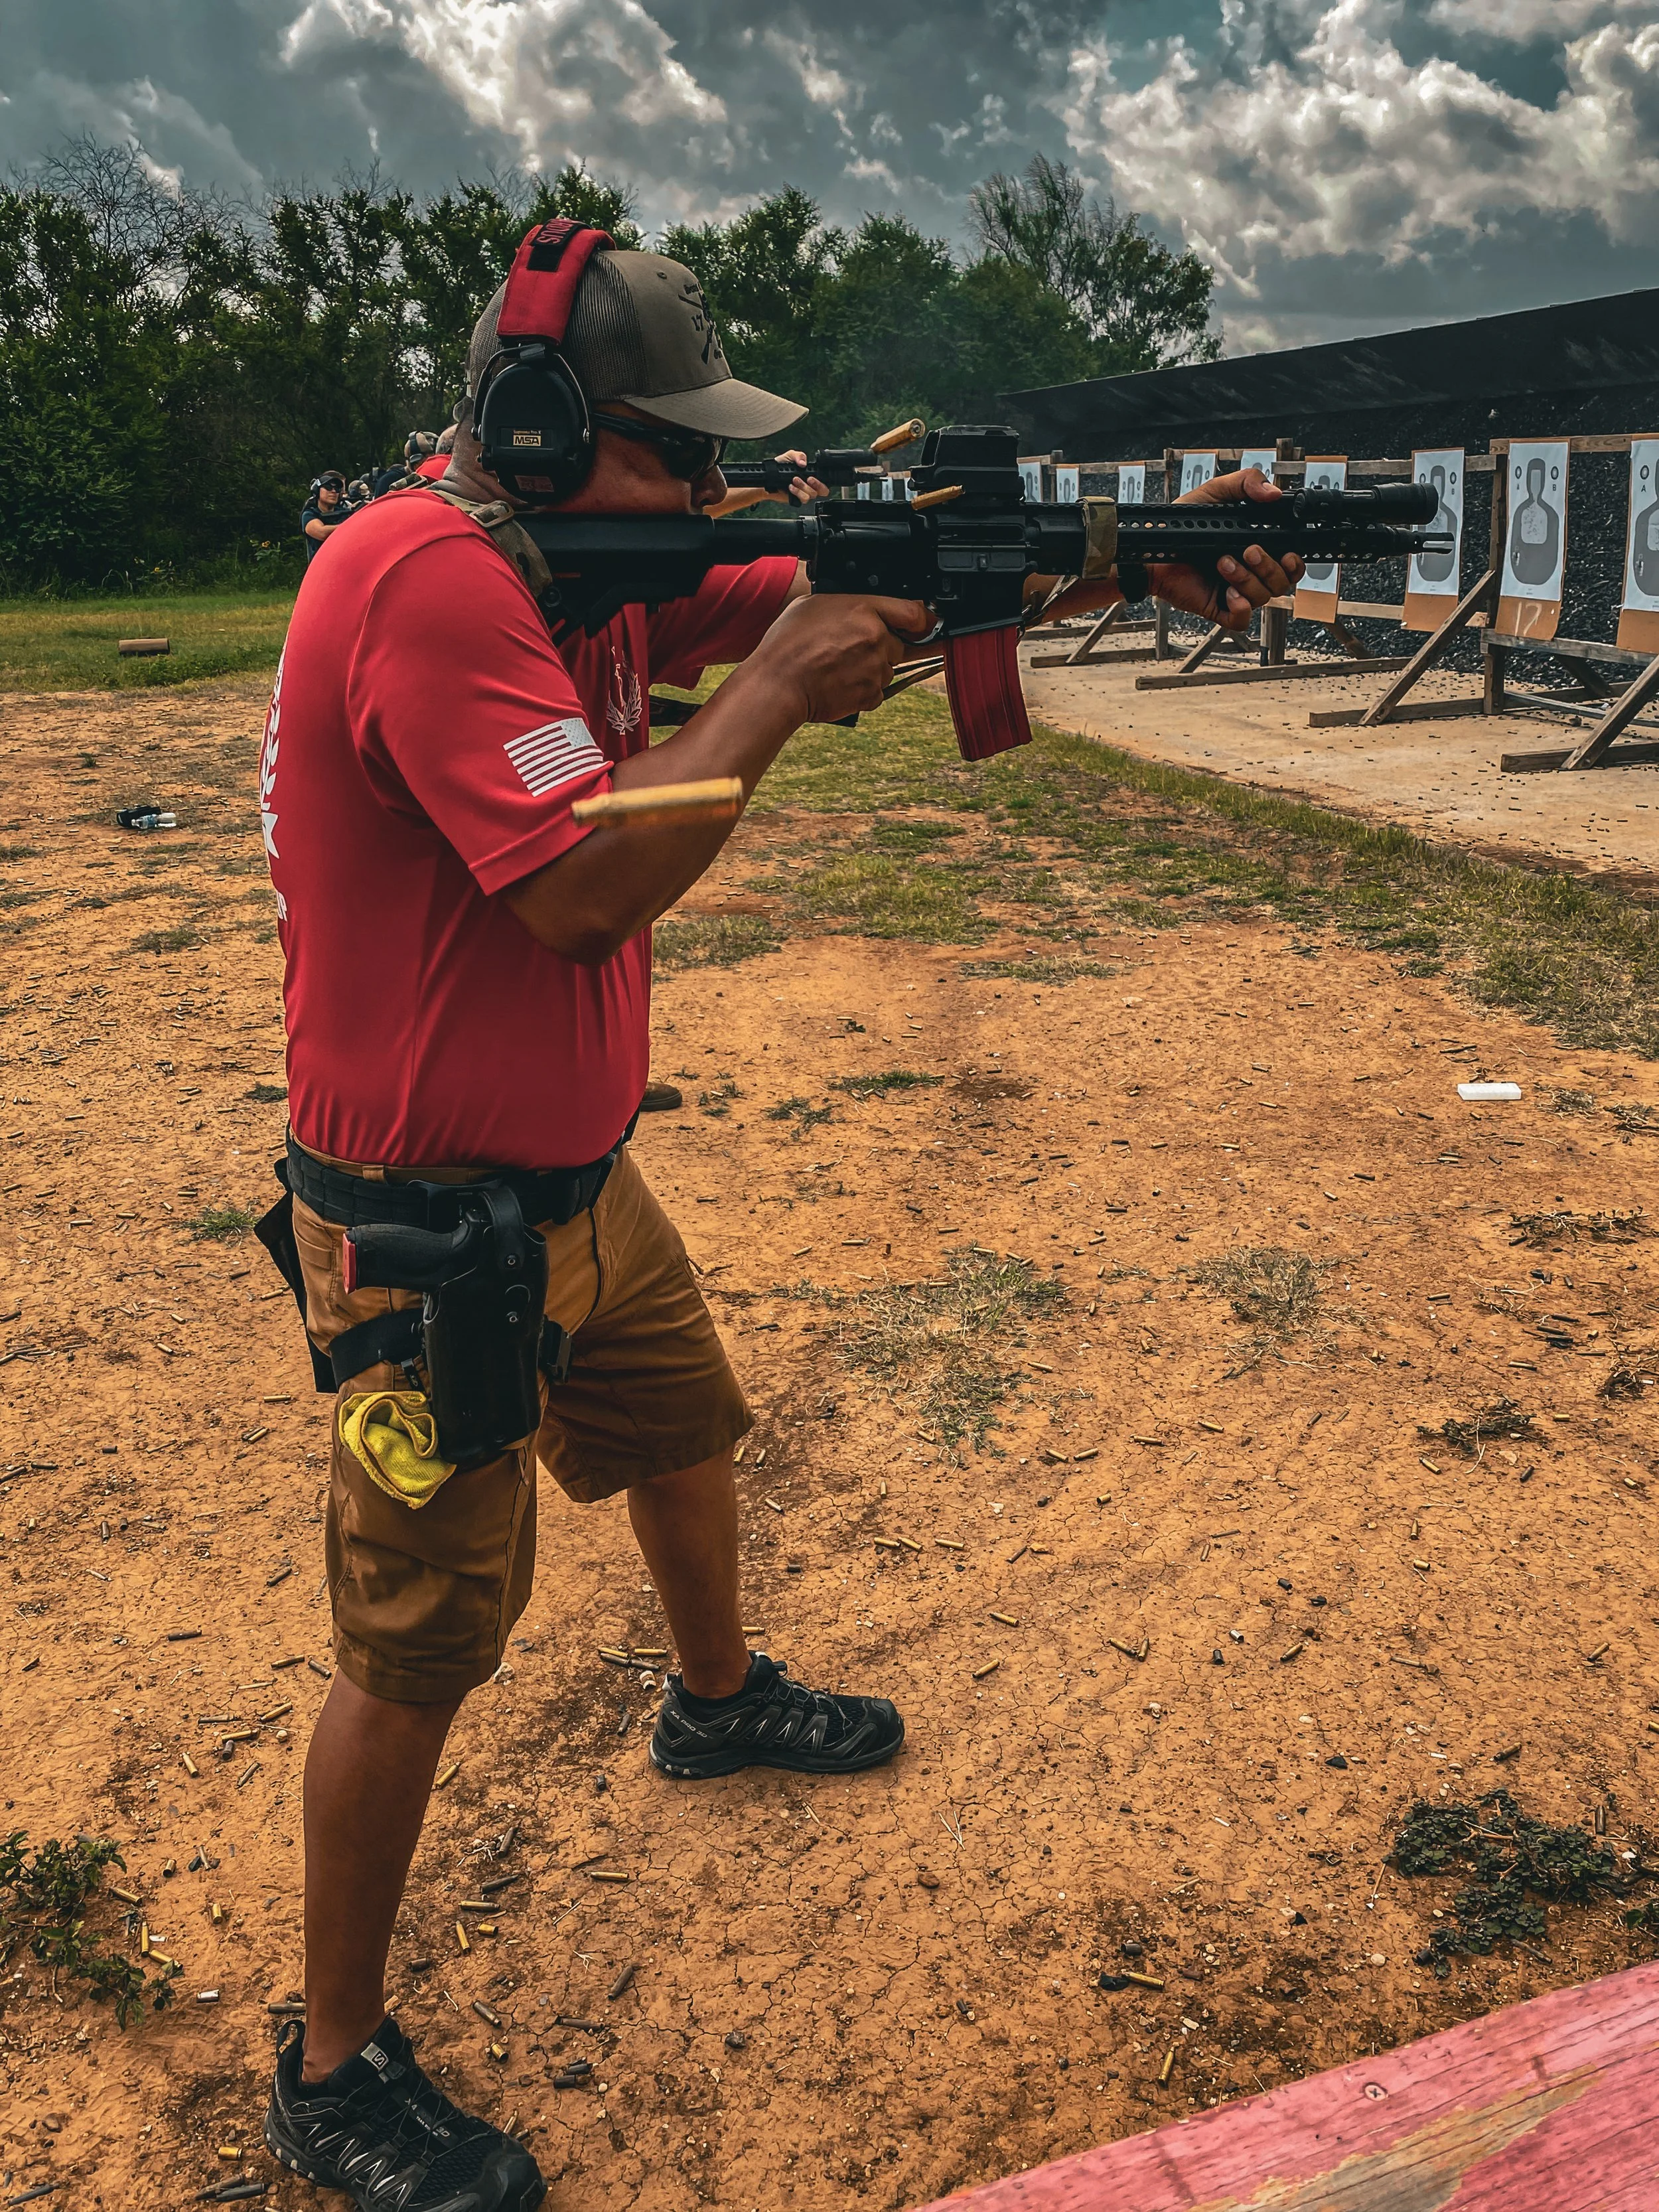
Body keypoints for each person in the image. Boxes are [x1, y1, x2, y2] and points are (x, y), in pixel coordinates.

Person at [255, 225, 1299, 2212]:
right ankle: (326, 2061)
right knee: (416, 1641)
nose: (718, 493)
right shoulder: (423, 584)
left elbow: (846, 584)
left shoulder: (582, 559)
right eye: (684, 457)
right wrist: (773, 707)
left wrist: (1129, 546)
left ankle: (713, 1706)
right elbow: (574, 886)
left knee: (685, 1428)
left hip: (576, 1177)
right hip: (423, 1228)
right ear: (554, 437)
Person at [298, 471, 360, 563]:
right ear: (317, 490)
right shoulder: (309, 514)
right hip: (321, 569)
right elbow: (321, 533)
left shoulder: (344, 512)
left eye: (337, 488)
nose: (334, 491)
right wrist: (351, 526)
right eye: (328, 487)